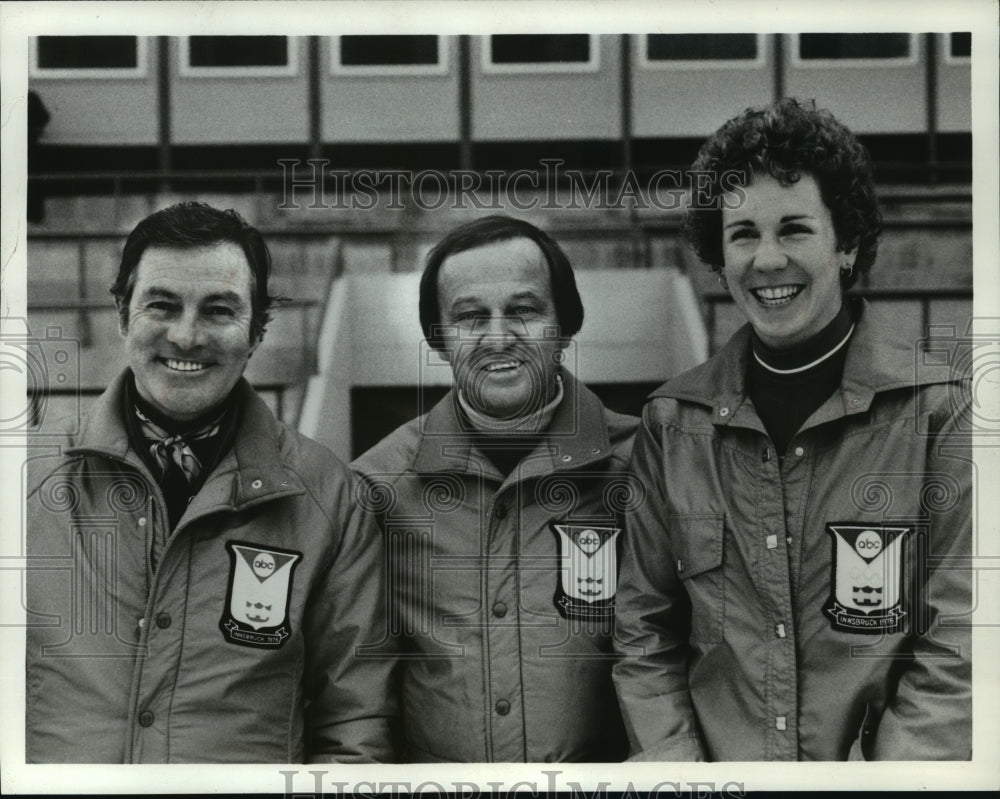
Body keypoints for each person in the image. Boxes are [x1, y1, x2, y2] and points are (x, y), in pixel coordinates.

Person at [613, 98, 972, 761]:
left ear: (848, 244)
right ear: (718, 258)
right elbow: (644, 637)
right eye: (744, 233)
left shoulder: (938, 415)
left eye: (795, 229)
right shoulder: (671, 426)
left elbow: (961, 646)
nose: (768, 259)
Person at [25, 202, 395, 763]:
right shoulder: (27, 483)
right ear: (123, 317)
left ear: (256, 331)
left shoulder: (331, 499)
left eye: (218, 310)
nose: (186, 335)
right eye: (162, 305)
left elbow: (355, 724)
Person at [351, 215, 637, 762]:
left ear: (565, 325)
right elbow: (358, 685)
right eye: (470, 317)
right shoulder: (378, 486)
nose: (499, 336)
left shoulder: (642, 467)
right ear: (438, 339)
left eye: (524, 310)